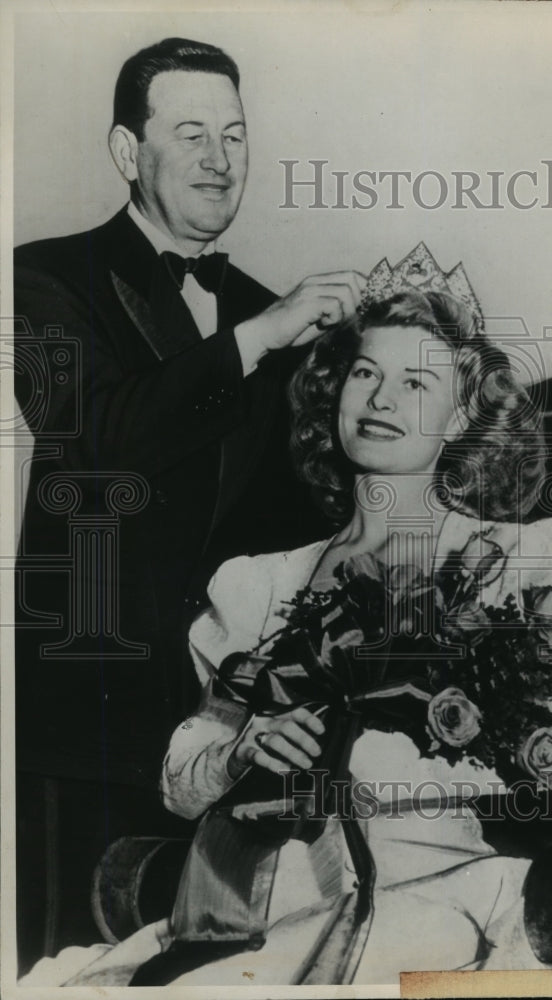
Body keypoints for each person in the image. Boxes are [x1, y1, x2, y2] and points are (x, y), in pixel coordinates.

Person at [22, 263, 552, 987]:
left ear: (460, 418)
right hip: (250, 908)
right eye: (365, 374)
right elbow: (184, 783)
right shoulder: (260, 584)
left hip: (433, 897)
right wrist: (244, 748)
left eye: (415, 384)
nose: (380, 399)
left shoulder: (511, 560)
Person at [13, 36, 364, 972]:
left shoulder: (265, 317)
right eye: (193, 133)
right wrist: (260, 336)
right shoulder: (41, 276)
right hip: (90, 711)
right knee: (65, 964)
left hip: (230, 718)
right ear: (130, 154)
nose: (220, 159)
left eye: (236, 136)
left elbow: (294, 524)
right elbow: (93, 440)